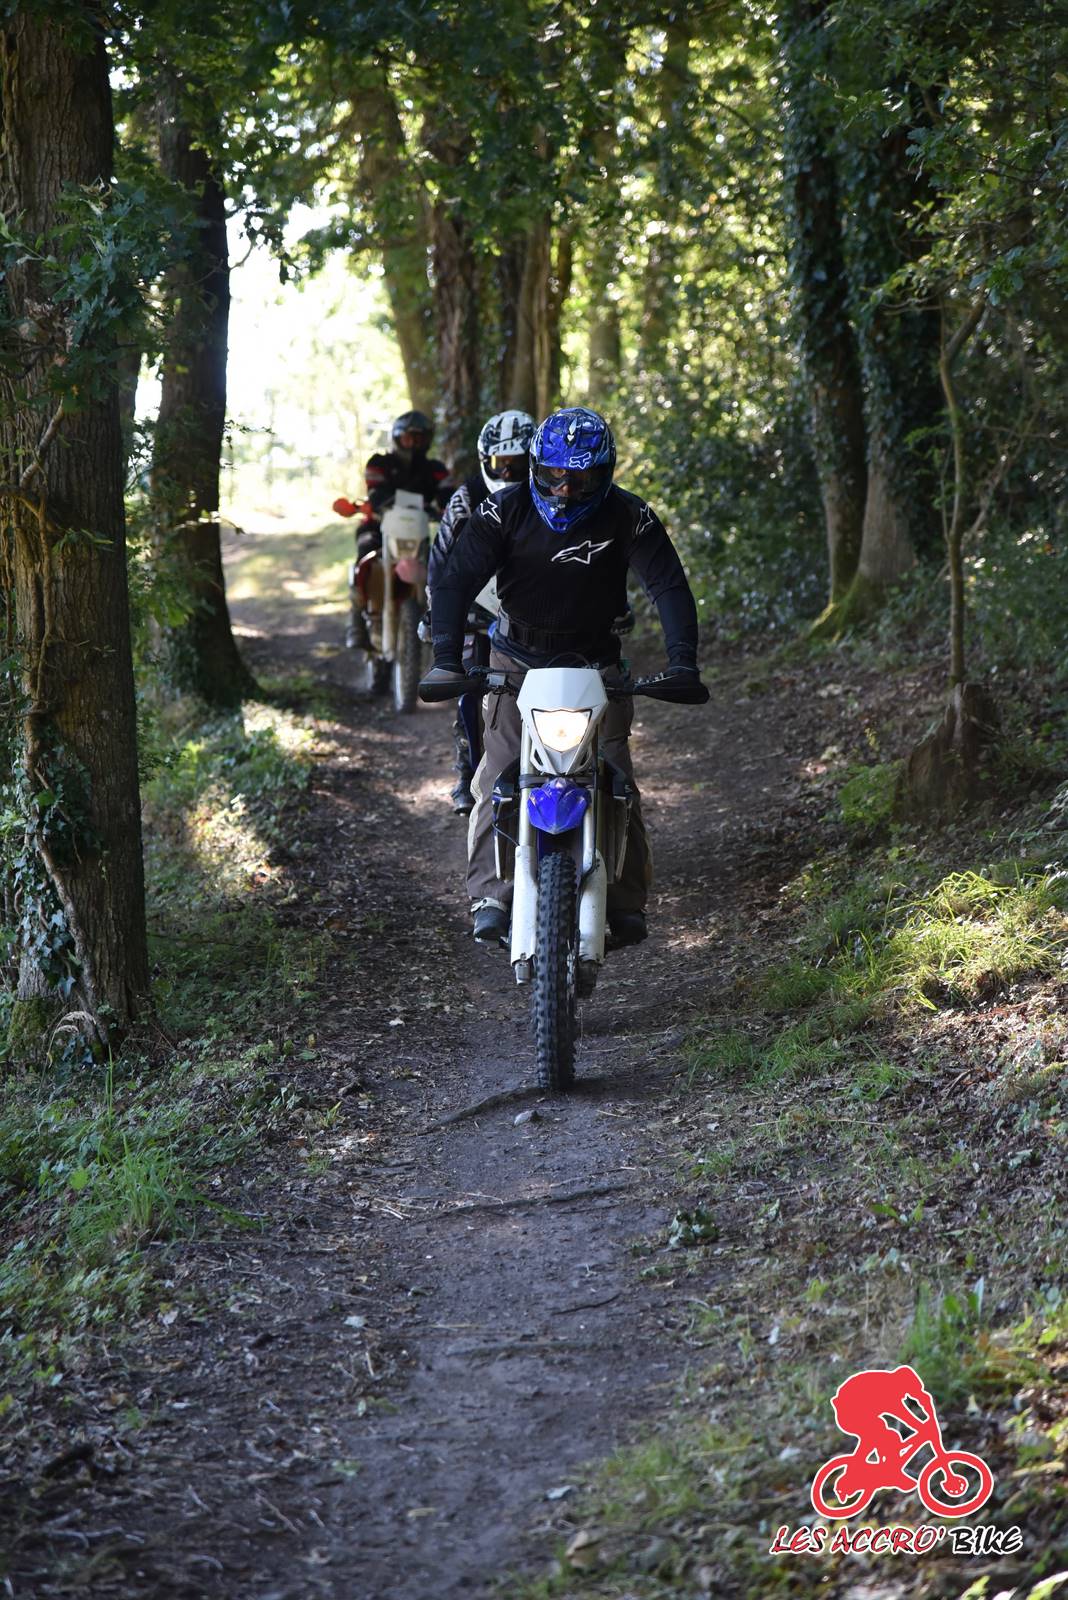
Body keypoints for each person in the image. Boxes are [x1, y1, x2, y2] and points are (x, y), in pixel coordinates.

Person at [422, 405, 704, 947]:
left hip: (597, 663)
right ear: (535, 466)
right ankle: (489, 894)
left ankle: (626, 899)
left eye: (581, 477)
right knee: (495, 774)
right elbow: (455, 581)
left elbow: (668, 587)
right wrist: (447, 658)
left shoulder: (630, 516)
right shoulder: (502, 511)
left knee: (617, 777)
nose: (565, 490)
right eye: (553, 474)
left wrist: (682, 661)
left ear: (606, 473)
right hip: (514, 661)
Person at [429, 410, 536, 815]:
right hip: (478, 606)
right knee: (469, 685)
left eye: (517, 464)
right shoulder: (467, 497)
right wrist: (436, 612)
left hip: (533, 608)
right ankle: (467, 769)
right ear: (484, 461)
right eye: (499, 463)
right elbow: (441, 558)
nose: (507, 472)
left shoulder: (551, 495)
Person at [333, 410, 453, 649]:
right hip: (378, 526)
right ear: (397, 438)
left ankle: (437, 619)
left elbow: (448, 496)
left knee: (442, 562)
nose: (414, 443)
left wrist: (448, 508)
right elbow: (376, 493)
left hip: (417, 531)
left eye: (419, 438)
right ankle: (356, 619)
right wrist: (379, 503)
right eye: (409, 437)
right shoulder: (379, 463)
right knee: (365, 552)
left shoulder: (435, 469)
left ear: (427, 440)